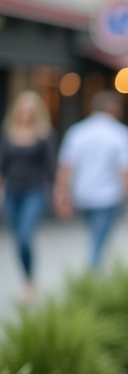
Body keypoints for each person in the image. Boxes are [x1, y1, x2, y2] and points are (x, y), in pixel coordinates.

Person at [54, 91, 128, 269]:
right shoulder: (121, 134)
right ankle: (93, 274)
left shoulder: (77, 132)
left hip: (83, 195)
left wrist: (61, 193)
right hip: (108, 197)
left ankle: (95, 269)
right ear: (113, 109)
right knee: (98, 241)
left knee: (96, 237)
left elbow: (66, 167)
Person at [0, 91, 57, 302]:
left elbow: (51, 167)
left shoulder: (44, 134)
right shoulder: (9, 132)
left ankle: (29, 281)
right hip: (12, 191)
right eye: (23, 110)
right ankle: (27, 279)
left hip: (34, 191)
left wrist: (56, 193)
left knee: (25, 237)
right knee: (18, 240)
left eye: (30, 110)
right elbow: (2, 164)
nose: (25, 114)